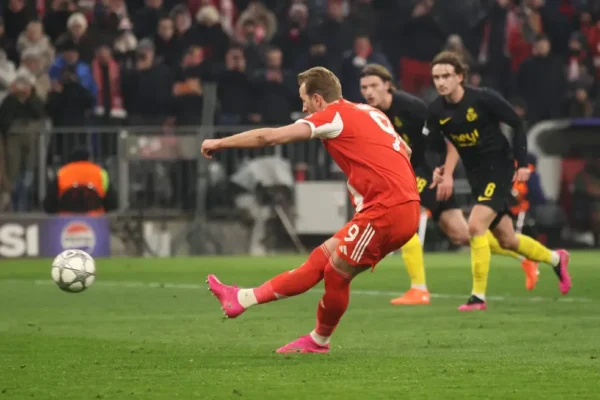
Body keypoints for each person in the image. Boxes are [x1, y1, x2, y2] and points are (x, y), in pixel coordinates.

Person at [201, 66, 420, 353]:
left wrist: (220, 142)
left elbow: (270, 137)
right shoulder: (370, 112)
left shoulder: (332, 116)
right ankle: (241, 299)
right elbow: (406, 150)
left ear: (318, 99)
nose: (303, 107)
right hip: (398, 205)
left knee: (337, 272)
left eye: (304, 100)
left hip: (386, 210)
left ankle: (319, 341)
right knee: (321, 259)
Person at [359, 64, 540, 306]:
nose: (368, 92)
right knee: (462, 235)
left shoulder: (412, 107)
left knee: (402, 219)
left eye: (373, 85)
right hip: (410, 173)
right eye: (364, 87)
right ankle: (524, 257)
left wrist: (446, 174)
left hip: (429, 172)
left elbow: (450, 138)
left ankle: (419, 289)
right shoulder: (371, 114)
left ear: (388, 85)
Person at [427, 51, 571, 311]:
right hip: (477, 175)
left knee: (475, 225)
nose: (440, 82)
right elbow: (439, 145)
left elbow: (517, 123)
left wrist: (522, 163)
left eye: (446, 75)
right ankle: (555, 259)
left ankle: (477, 297)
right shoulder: (436, 110)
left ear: (460, 76)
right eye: (436, 77)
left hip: (499, 168)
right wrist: (440, 169)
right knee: (507, 240)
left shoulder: (482, 98)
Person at [43, 148, 117, 215]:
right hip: (95, 220)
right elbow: (112, 202)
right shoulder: (101, 173)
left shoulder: (62, 173)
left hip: (67, 220)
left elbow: (49, 204)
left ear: (72, 160)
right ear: (89, 159)